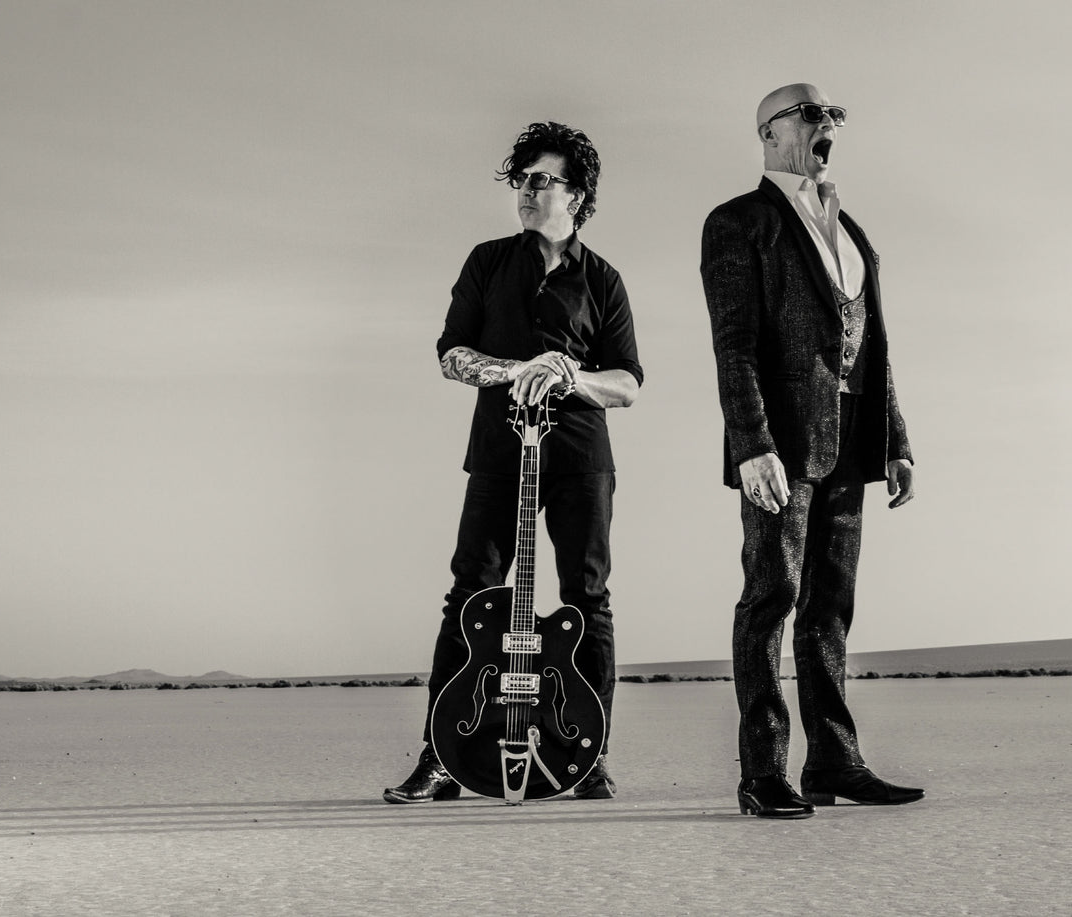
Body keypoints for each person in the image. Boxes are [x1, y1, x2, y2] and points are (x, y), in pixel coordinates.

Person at [383, 121, 643, 803]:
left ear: (577, 194)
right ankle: (440, 757)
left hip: (581, 455)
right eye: (520, 180)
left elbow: (628, 383)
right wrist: (519, 368)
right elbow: (451, 355)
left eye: (541, 180)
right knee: (470, 589)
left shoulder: (605, 280)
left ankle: (591, 755)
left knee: (588, 596)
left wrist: (568, 376)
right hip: (500, 450)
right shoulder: (487, 261)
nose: (526, 192)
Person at [700, 83, 924, 819]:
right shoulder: (738, 223)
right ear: (770, 133)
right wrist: (750, 444)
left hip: (852, 439)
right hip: (782, 443)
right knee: (772, 597)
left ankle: (834, 758)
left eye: (835, 115)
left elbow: (874, 345)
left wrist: (894, 439)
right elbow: (734, 348)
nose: (827, 125)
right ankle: (763, 772)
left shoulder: (854, 229)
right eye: (811, 114)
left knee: (831, 608)